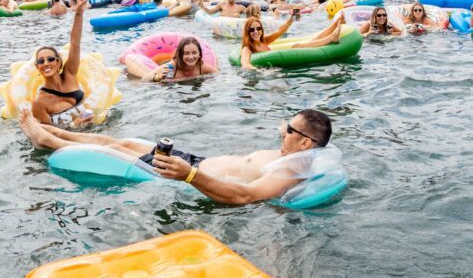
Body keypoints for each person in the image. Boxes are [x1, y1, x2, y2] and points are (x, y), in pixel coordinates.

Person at [19, 108, 335, 205]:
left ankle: (45, 139)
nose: (282, 131)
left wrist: (189, 176)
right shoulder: (290, 152)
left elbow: (245, 196)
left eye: (290, 130)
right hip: (198, 162)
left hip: (191, 176)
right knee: (125, 141)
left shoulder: (289, 171)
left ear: (306, 144)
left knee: (115, 151)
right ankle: (55, 132)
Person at [29, 0, 92, 127]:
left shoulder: (70, 73)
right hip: (72, 141)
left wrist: (79, 13)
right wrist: (74, 126)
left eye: (50, 59)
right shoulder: (39, 103)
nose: (46, 64)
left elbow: (75, 43)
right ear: (37, 67)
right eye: (41, 61)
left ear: (58, 62)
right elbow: (46, 134)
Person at [240, 15, 344, 69]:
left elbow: (281, 30)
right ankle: (331, 38)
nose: (256, 32)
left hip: (279, 67)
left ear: (262, 29)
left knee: (309, 41)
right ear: (247, 32)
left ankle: (335, 24)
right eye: (252, 30)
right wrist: (260, 72)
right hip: (271, 72)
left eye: (258, 28)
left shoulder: (264, 40)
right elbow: (245, 64)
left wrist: (293, 17)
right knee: (297, 46)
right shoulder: (247, 48)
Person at [143, 36, 219, 82]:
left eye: (194, 53)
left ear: (199, 54)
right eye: (186, 53)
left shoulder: (201, 66)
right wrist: (157, 77)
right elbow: (144, 78)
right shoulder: (172, 67)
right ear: (180, 54)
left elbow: (219, 75)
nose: (191, 57)